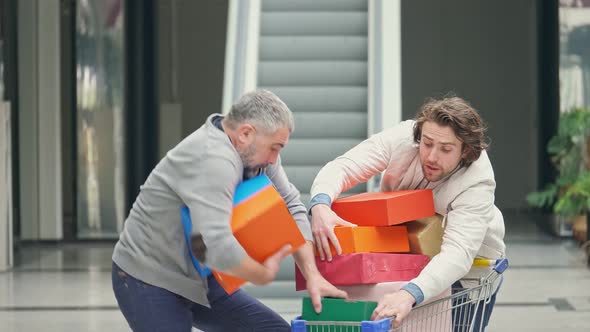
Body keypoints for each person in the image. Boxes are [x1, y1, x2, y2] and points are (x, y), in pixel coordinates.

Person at [112, 90, 347, 331]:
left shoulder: (258, 154)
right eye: (274, 148)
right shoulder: (214, 160)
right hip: (149, 278)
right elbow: (214, 246)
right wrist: (260, 274)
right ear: (245, 133)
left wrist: (313, 275)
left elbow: (292, 206)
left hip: (200, 275)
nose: (275, 159)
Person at [309, 96, 506, 331]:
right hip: (405, 258)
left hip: (465, 275)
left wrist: (408, 294)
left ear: (466, 152)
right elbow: (344, 166)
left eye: (445, 149)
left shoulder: (477, 180)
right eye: (427, 143)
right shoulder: (403, 138)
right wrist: (320, 204)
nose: (432, 156)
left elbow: (458, 253)